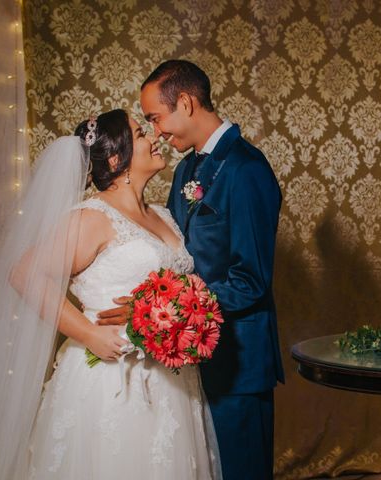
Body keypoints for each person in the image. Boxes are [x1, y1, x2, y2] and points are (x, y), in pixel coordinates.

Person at [0, 109, 221, 479]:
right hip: (110, 377)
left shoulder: (163, 215)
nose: (154, 136)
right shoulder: (92, 217)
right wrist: (88, 334)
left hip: (172, 381)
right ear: (117, 158)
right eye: (140, 134)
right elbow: (25, 273)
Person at [98, 60, 284, 479]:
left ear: (185, 102)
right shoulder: (186, 169)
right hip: (189, 363)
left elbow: (251, 282)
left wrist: (159, 308)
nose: (156, 132)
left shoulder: (247, 169)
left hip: (238, 365)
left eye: (156, 118)